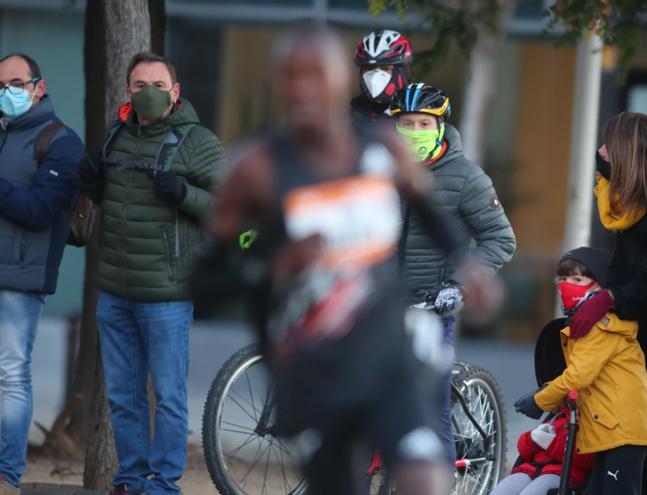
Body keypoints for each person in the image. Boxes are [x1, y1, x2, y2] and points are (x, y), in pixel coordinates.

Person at [192, 24, 500, 495]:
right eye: (291, 76)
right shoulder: (255, 169)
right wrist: (271, 265)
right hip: (315, 359)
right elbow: (203, 283)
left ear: (339, 80)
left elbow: (433, 216)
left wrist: (469, 268)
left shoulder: (385, 148)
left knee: (422, 475)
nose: (304, 88)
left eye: (317, 74)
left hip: (390, 347)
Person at [77, 51, 225, 495]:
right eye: (140, 86)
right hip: (115, 291)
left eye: (158, 86)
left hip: (166, 293)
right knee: (123, 398)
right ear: (128, 91)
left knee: (168, 395)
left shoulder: (198, 142)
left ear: (176, 92)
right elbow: (110, 199)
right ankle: (131, 478)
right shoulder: (116, 136)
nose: (149, 94)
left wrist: (185, 195)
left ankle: (162, 484)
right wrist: (90, 181)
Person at [389, 82, 517, 463]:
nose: (414, 133)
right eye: (406, 124)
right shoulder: (379, 169)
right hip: (383, 307)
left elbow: (501, 239)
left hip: (432, 308)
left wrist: (458, 287)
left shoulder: (465, 177)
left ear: (441, 127)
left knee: (431, 415)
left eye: (424, 125)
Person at [567, 111, 647, 494]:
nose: (600, 153)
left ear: (628, 155)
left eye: (606, 147)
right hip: (631, 350)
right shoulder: (631, 205)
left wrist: (610, 298)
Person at [515, 247, 647, 495]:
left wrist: (541, 400)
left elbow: (579, 376)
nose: (566, 285)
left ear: (598, 286)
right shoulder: (584, 324)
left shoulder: (599, 327)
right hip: (607, 431)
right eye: (562, 279)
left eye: (577, 279)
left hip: (623, 430)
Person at [0, 53, 82, 495]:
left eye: (14, 83)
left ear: (38, 86)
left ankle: (7, 475)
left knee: (11, 374)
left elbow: (39, 211)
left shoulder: (62, 143)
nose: (5, 93)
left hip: (20, 279)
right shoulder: (2, 133)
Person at [490, 408, 594, 495]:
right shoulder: (556, 417)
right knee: (503, 489)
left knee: (533, 490)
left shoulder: (590, 424)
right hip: (529, 469)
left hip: (562, 474)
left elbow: (589, 460)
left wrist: (552, 445)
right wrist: (531, 439)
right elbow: (524, 453)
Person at [351, 29, 412, 125]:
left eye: (385, 68)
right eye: (369, 68)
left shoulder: (419, 119)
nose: (374, 76)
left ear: (404, 72)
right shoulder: (350, 120)